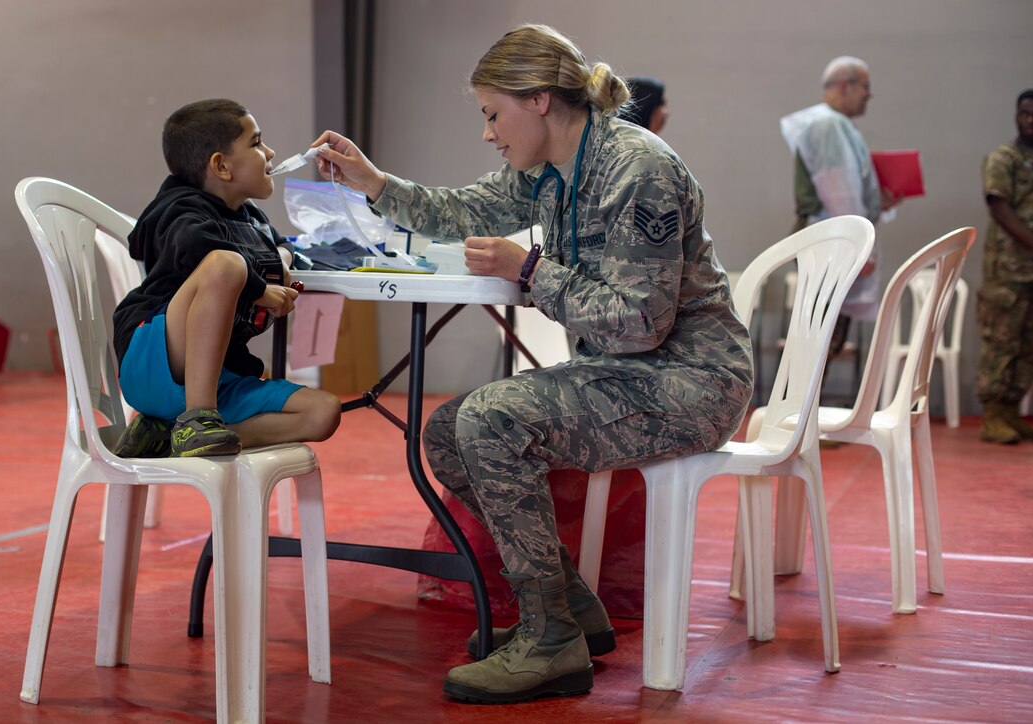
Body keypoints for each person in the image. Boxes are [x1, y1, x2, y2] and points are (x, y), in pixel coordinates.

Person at [312, 24, 752, 703]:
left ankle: (549, 640)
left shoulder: (637, 170)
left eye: (494, 113)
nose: (489, 133)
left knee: (489, 419)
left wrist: (533, 271)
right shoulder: (549, 170)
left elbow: (639, 324)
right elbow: (460, 209)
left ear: (540, 99)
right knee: (448, 430)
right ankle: (568, 612)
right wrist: (374, 182)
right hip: (622, 376)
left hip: (689, 383)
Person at [111, 99, 341, 458]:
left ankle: (170, 434)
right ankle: (196, 420)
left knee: (324, 412)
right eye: (256, 143)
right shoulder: (178, 209)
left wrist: (279, 261)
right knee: (224, 265)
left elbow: (283, 248)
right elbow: (198, 248)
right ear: (221, 165)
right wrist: (262, 289)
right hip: (156, 362)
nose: (270, 152)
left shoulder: (250, 217)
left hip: (221, 377)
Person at [779, 56, 899, 372]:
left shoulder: (834, 124)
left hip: (831, 239)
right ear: (846, 85)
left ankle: (802, 413)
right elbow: (839, 190)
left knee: (824, 337)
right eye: (866, 86)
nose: (870, 94)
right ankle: (795, 415)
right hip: (830, 240)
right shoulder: (828, 124)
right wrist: (859, 246)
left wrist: (877, 201)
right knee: (819, 338)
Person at [976, 89, 1033, 444]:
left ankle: (1011, 413)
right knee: (1001, 342)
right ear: (1016, 115)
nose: (1032, 120)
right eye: (1026, 114)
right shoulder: (1002, 159)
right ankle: (992, 416)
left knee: (1030, 344)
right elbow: (999, 207)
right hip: (1007, 270)